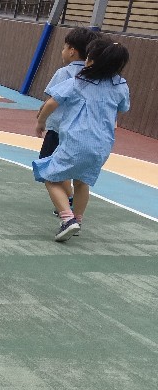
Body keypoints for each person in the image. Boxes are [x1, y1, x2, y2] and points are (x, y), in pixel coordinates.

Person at [33, 37, 130, 242]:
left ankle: (67, 219)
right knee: (82, 182)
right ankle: (77, 220)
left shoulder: (78, 81)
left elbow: (51, 103)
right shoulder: (121, 85)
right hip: (102, 145)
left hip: (76, 141)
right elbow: (123, 107)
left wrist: (41, 122)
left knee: (50, 177)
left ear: (92, 61)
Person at [37, 27, 100, 213]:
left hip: (58, 129)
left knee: (49, 166)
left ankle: (67, 202)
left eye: (64, 47)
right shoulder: (94, 76)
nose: (63, 51)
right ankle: (73, 204)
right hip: (82, 132)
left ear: (72, 50)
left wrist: (41, 118)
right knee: (74, 172)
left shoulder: (64, 73)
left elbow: (51, 98)